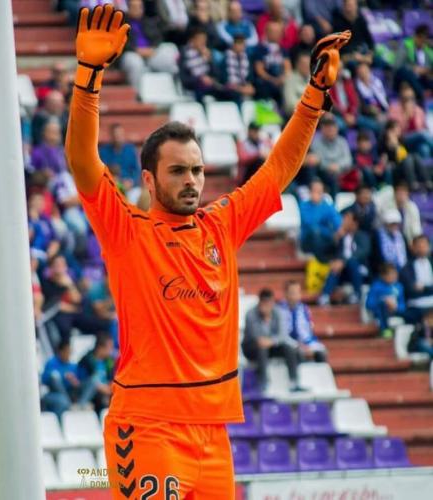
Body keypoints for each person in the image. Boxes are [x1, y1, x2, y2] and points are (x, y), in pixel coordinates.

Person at [65, 5, 349, 496]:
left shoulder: (221, 225)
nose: (193, 180)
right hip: (149, 427)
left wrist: (314, 96)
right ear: (150, 180)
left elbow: (277, 169)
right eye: (179, 171)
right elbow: (82, 161)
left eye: (196, 170)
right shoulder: (128, 231)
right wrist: (89, 77)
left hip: (213, 433)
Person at [243, 288, 303, 392]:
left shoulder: (277, 312)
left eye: (270, 302)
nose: (268, 306)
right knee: (261, 349)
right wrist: (265, 318)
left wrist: (271, 341)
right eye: (265, 302)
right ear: (260, 302)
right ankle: (263, 383)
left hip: (270, 345)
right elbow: (255, 337)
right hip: (251, 348)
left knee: (289, 348)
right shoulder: (251, 314)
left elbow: (282, 335)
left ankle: (294, 382)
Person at [119, 0, 179, 90]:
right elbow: (120, 43)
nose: (137, 9)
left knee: (169, 53)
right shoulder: (121, 23)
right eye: (134, 7)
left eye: (139, 7)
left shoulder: (149, 21)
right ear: (128, 8)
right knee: (135, 63)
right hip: (132, 54)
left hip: (151, 53)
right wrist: (137, 50)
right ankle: (138, 93)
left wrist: (152, 49)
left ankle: (176, 88)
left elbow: (158, 38)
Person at [318, 211, 370, 305]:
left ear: (355, 223)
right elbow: (325, 252)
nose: (343, 222)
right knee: (335, 268)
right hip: (340, 270)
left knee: (352, 263)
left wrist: (343, 261)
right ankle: (325, 296)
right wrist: (335, 239)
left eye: (347, 219)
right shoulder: (340, 236)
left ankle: (357, 294)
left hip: (358, 269)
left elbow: (362, 253)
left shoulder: (362, 236)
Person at [179, 25, 235, 102]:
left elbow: (216, 75)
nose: (203, 42)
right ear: (192, 40)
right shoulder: (184, 54)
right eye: (200, 39)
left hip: (209, 85)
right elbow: (184, 78)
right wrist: (200, 79)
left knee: (231, 93)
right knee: (201, 92)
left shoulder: (207, 52)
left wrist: (209, 60)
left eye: (204, 39)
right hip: (194, 86)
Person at [279, 281, 328, 362]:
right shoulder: (279, 310)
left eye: (297, 293)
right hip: (287, 343)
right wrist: (298, 345)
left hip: (304, 343)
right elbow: (281, 334)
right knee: (298, 352)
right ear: (286, 294)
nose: (295, 296)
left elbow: (308, 331)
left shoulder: (304, 309)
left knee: (321, 351)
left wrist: (307, 345)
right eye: (292, 293)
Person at [306, 114, 352, 198]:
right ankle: (332, 202)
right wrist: (329, 166)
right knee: (314, 169)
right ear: (322, 129)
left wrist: (338, 165)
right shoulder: (316, 143)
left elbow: (348, 160)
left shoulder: (342, 141)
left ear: (337, 128)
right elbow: (318, 160)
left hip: (341, 171)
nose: (330, 130)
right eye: (327, 127)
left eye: (332, 127)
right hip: (325, 172)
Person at [378, 120, 431, 193]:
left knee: (415, 156)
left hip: (405, 165)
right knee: (408, 158)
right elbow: (385, 160)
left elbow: (403, 155)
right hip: (394, 168)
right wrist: (393, 145)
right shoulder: (383, 143)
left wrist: (396, 144)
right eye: (397, 128)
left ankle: (428, 182)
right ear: (389, 131)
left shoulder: (401, 140)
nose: (399, 130)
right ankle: (412, 184)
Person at [299, 178, 342, 262]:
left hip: (324, 239)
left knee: (339, 236)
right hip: (308, 240)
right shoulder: (304, 206)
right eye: (315, 191)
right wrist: (317, 206)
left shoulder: (327, 205)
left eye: (320, 191)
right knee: (315, 232)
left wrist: (339, 230)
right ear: (310, 192)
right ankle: (324, 261)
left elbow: (337, 220)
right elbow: (311, 223)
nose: (317, 193)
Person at [388, 84, 432, 161]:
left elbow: (425, 127)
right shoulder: (394, 109)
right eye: (405, 98)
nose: (408, 101)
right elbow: (393, 128)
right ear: (401, 98)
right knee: (422, 134)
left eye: (411, 98)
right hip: (402, 138)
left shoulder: (418, 110)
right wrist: (406, 116)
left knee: (424, 149)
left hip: (417, 140)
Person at [252, 20, 291, 106]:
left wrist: (282, 78)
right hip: (266, 81)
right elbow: (259, 70)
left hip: (280, 81)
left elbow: (288, 68)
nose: (276, 34)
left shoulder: (283, 50)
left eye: (278, 32)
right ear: (266, 32)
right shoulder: (260, 49)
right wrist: (272, 80)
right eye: (273, 31)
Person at [76, 333, 116, 413]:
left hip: (105, 391)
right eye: (110, 347)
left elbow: (111, 378)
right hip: (85, 389)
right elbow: (82, 380)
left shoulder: (109, 361)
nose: (112, 350)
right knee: (94, 382)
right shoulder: (87, 360)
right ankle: (80, 405)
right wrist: (103, 388)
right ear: (100, 348)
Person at [41, 340, 80, 418]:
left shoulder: (73, 366)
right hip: (52, 394)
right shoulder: (51, 363)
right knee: (62, 400)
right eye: (67, 351)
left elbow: (78, 383)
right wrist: (63, 376)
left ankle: (76, 404)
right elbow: (44, 379)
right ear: (60, 352)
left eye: (70, 352)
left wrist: (74, 381)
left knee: (63, 401)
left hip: (70, 394)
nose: (69, 354)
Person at [99, 124, 141, 195]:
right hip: (110, 186)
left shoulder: (130, 150)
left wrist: (131, 181)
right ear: (111, 136)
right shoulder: (104, 151)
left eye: (120, 135)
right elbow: (101, 172)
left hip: (129, 186)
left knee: (136, 195)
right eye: (115, 135)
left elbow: (136, 170)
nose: (117, 138)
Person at [366, 262, 406, 338]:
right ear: (383, 276)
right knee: (382, 306)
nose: (394, 276)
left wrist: (396, 307)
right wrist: (384, 301)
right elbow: (369, 304)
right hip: (380, 312)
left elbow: (403, 304)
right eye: (391, 274)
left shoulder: (399, 286)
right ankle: (385, 330)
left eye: (395, 274)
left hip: (395, 311)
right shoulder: (376, 287)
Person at [394, 24, 432, 104]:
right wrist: (414, 69)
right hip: (404, 78)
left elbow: (429, 68)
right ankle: (421, 94)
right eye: (420, 38)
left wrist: (426, 71)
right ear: (416, 36)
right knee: (405, 71)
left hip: (421, 79)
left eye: (424, 39)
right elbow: (397, 66)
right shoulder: (406, 45)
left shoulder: (427, 50)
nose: (422, 42)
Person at [378, 181, 423, 246]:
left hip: (407, 240)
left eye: (404, 192)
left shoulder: (412, 207)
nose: (402, 195)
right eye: (399, 192)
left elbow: (416, 227)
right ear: (394, 193)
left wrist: (415, 242)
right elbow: (383, 225)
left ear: (408, 194)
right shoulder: (387, 205)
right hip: (389, 237)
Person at [331, 0, 373, 65]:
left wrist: (369, 55)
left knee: (383, 62)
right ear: (343, 7)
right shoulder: (338, 22)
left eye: (351, 6)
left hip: (362, 51)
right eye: (347, 6)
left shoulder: (361, 20)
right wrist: (355, 57)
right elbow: (337, 48)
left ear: (356, 6)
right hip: (348, 56)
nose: (349, 9)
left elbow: (370, 42)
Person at [400, 235, 433, 316]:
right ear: (413, 248)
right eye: (419, 246)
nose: (422, 248)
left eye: (424, 245)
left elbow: (419, 288)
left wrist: (424, 288)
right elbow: (411, 289)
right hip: (416, 304)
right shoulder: (406, 267)